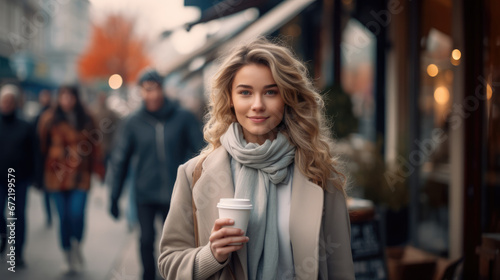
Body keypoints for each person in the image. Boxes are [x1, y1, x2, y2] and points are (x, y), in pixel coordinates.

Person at [157, 38, 355, 280]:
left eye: (271, 92)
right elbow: (169, 264)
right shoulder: (194, 174)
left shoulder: (319, 172)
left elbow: (341, 267)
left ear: (288, 97)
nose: (258, 105)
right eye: (245, 92)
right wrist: (212, 254)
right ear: (230, 98)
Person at [108, 69, 204, 280]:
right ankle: (148, 276)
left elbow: (202, 152)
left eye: (156, 89)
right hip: (145, 193)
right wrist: (114, 197)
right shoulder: (133, 122)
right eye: (147, 90)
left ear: (162, 89)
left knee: (175, 241)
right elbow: (120, 160)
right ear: (141, 92)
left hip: (176, 192)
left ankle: (172, 275)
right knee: (145, 239)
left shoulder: (183, 117)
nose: (152, 95)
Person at [38, 85, 100, 273]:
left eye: (70, 96)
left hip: (80, 175)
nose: (66, 100)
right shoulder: (48, 119)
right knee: (63, 217)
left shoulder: (87, 118)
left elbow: (95, 145)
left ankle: (76, 246)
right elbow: (41, 147)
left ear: (76, 98)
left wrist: (99, 167)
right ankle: (66, 254)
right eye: (63, 96)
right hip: (56, 176)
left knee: (77, 214)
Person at [0, 84, 34, 268]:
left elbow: (34, 152)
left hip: (19, 178)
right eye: (3, 101)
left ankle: (18, 251)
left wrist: (34, 176)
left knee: (17, 215)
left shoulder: (25, 126)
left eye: (9, 101)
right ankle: (4, 236)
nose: (6, 104)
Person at [33, 89, 54, 227]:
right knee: (47, 190)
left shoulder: (55, 115)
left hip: (55, 158)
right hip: (44, 158)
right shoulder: (39, 116)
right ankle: (49, 215)